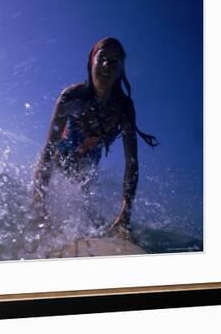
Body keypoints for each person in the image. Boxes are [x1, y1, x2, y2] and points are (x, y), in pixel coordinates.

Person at [33, 37, 158, 239]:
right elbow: (49, 148)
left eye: (115, 62)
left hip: (92, 155)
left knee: (82, 194)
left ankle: (92, 227)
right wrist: (38, 203)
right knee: (63, 170)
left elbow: (131, 162)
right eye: (103, 58)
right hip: (64, 152)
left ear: (120, 70)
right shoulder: (72, 97)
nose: (107, 65)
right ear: (92, 61)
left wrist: (125, 212)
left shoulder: (124, 108)